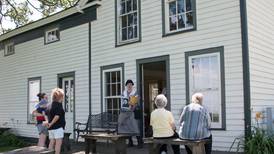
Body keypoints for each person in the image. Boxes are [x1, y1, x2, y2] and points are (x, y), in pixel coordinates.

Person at [120, 79, 143, 148]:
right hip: (126, 112)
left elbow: (135, 102)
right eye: (128, 84)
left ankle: (140, 143)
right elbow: (122, 102)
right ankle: (130, 142)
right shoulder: (123, 93)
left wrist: (131, 107)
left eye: (130, 84)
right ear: (126, 85)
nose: (129, 86)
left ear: (132, 85)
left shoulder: (135, 92)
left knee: (135, 127)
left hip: (134, 112)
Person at [44, 88, 66, 154]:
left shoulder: (48, 105)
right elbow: (57, 116)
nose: (63, 99)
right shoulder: (59, 105)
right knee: (58, 144)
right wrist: (50, 123)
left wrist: (48, 122)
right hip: (58, 128)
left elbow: (45, 115)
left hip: (51, 129)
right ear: (60, 97)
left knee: (51, 142)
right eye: (63, 97)